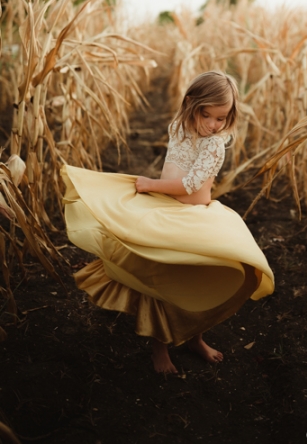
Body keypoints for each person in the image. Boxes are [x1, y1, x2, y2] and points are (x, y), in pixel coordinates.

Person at [62, 71, 274, 374]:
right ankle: (158, 348)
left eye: (221, 118)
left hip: (192, 218)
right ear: (190, 105)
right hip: (164, 211)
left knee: (196, 279)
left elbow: (189, 185)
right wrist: (154, 189)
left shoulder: (214, 144)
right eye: (207, 115)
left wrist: (149, 185)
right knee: (159, 275)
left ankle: (195, 337)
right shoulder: (180, 127)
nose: (214, 124)